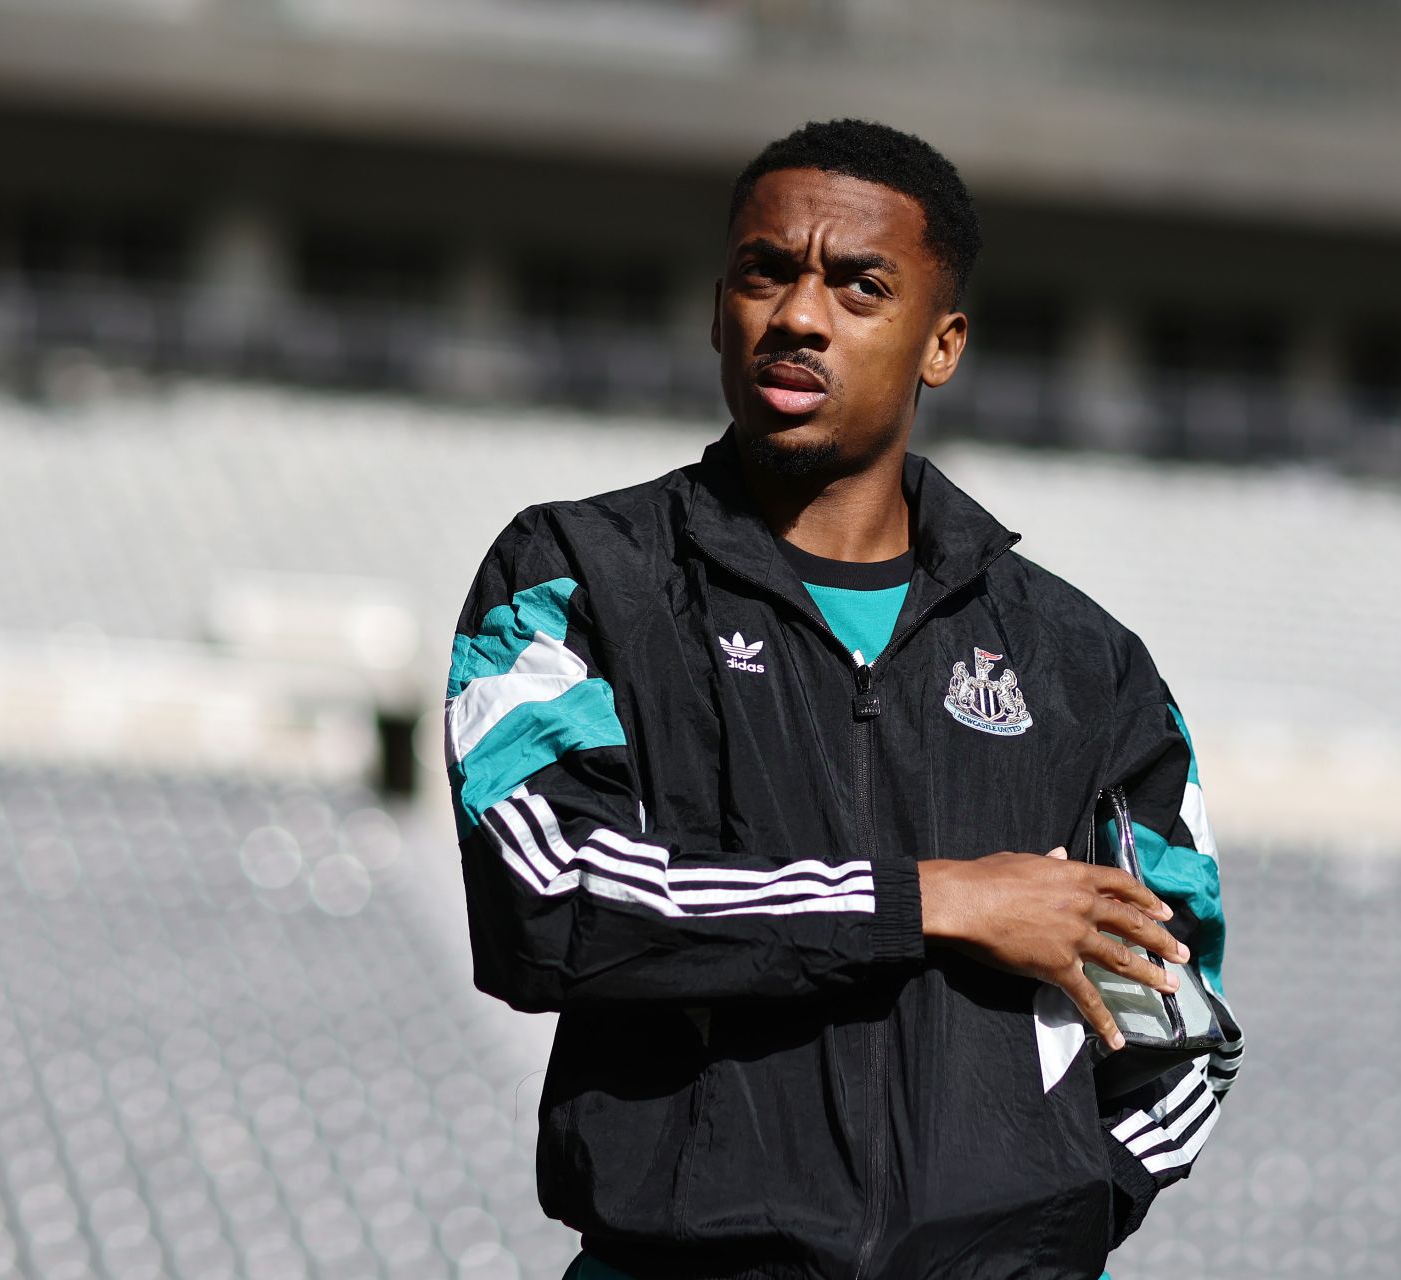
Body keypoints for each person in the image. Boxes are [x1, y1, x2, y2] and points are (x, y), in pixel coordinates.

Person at [445, 118, 1242, 1280]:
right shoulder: (578, 579)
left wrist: (1045, 1218)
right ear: (721, 303)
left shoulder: (1084, 665)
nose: (800, 316)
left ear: (941, 342)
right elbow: (549, 895)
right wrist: (925, 901)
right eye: (766, 273)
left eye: (861, 287)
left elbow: (1181, 1023)